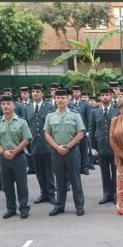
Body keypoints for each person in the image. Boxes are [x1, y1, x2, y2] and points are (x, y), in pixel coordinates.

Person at [43, 87, 86, 216]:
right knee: (60, 180)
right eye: (58, 98)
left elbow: (80, 133)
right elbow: (47, 134)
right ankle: (59, 206)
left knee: (75, 179)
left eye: (62, 98)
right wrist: (57, 147)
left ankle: (79, 206)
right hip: (57, 152)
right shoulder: (50, 116)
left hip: (72, 151)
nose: (60, 100)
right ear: (54, 99)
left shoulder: (74, 114)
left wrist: (68, 146)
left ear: (68, 99)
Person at [0, 94, 32, 219]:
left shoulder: (21, 121)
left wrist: (14, 151)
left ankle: (24, 207)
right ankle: (11, 208)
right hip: (3, 158)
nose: (6, 106)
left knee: (21, 184)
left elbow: (26, 139)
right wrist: (3, 152)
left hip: (18, 157)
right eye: (3, 104)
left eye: (8, 104)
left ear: (14, 106)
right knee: (7, 185)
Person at [25, 83, 56, 205]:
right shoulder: (27, 108)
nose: (35, 94)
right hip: (34, 144)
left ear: (42, 93)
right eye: (33, 92)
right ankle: (43, 193)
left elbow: (53, 125)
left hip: (47, 143)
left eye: (38, 91)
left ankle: (51, 193)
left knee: (49, 171)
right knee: (39, 172)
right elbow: (26, 126)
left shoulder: (49, 107)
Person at [89, 87, 120, 204]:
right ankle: (107, 194)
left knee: (116, 171)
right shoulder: (94, 111)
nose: (105, 97)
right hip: (100, 147)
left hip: (115, 147)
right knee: (104, 172)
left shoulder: (117, 111)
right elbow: (91, 130)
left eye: (107, 95)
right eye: (102, 95)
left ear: (111, 96)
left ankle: (116, 193)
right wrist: (92, 147)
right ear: (100, 97)